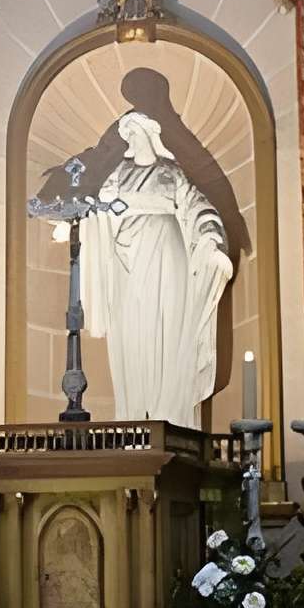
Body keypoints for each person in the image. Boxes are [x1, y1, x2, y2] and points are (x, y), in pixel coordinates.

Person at [80, 109, 233, 428]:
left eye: (135, 132)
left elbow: (198, 208)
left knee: (171, 324)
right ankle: (135, 413)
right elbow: (99, 213)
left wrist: (209, 239)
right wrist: (79, 220)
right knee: (132, 331)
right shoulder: (118, 175)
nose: (132, 140)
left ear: (150, 133)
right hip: (128, 261)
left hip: (169, 254)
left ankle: (171, 415)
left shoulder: (172, 174)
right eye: (128, 135)